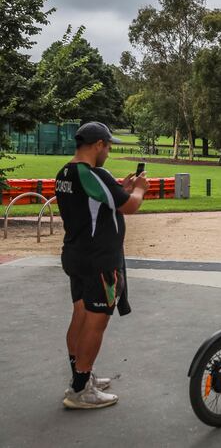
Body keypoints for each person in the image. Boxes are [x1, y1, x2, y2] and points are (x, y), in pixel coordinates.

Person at [57, 122, 149, 409]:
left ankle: (79, 376)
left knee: (80, 315)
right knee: (96, 322)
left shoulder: (66, 173)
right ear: (97, 145)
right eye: (108, 146)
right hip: (99, 259)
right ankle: (80, 389)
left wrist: (119, 188)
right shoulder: (92, 174)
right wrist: (140, 190)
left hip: (76, 254)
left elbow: (96, 201)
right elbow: (129, 206)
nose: (108, 152)